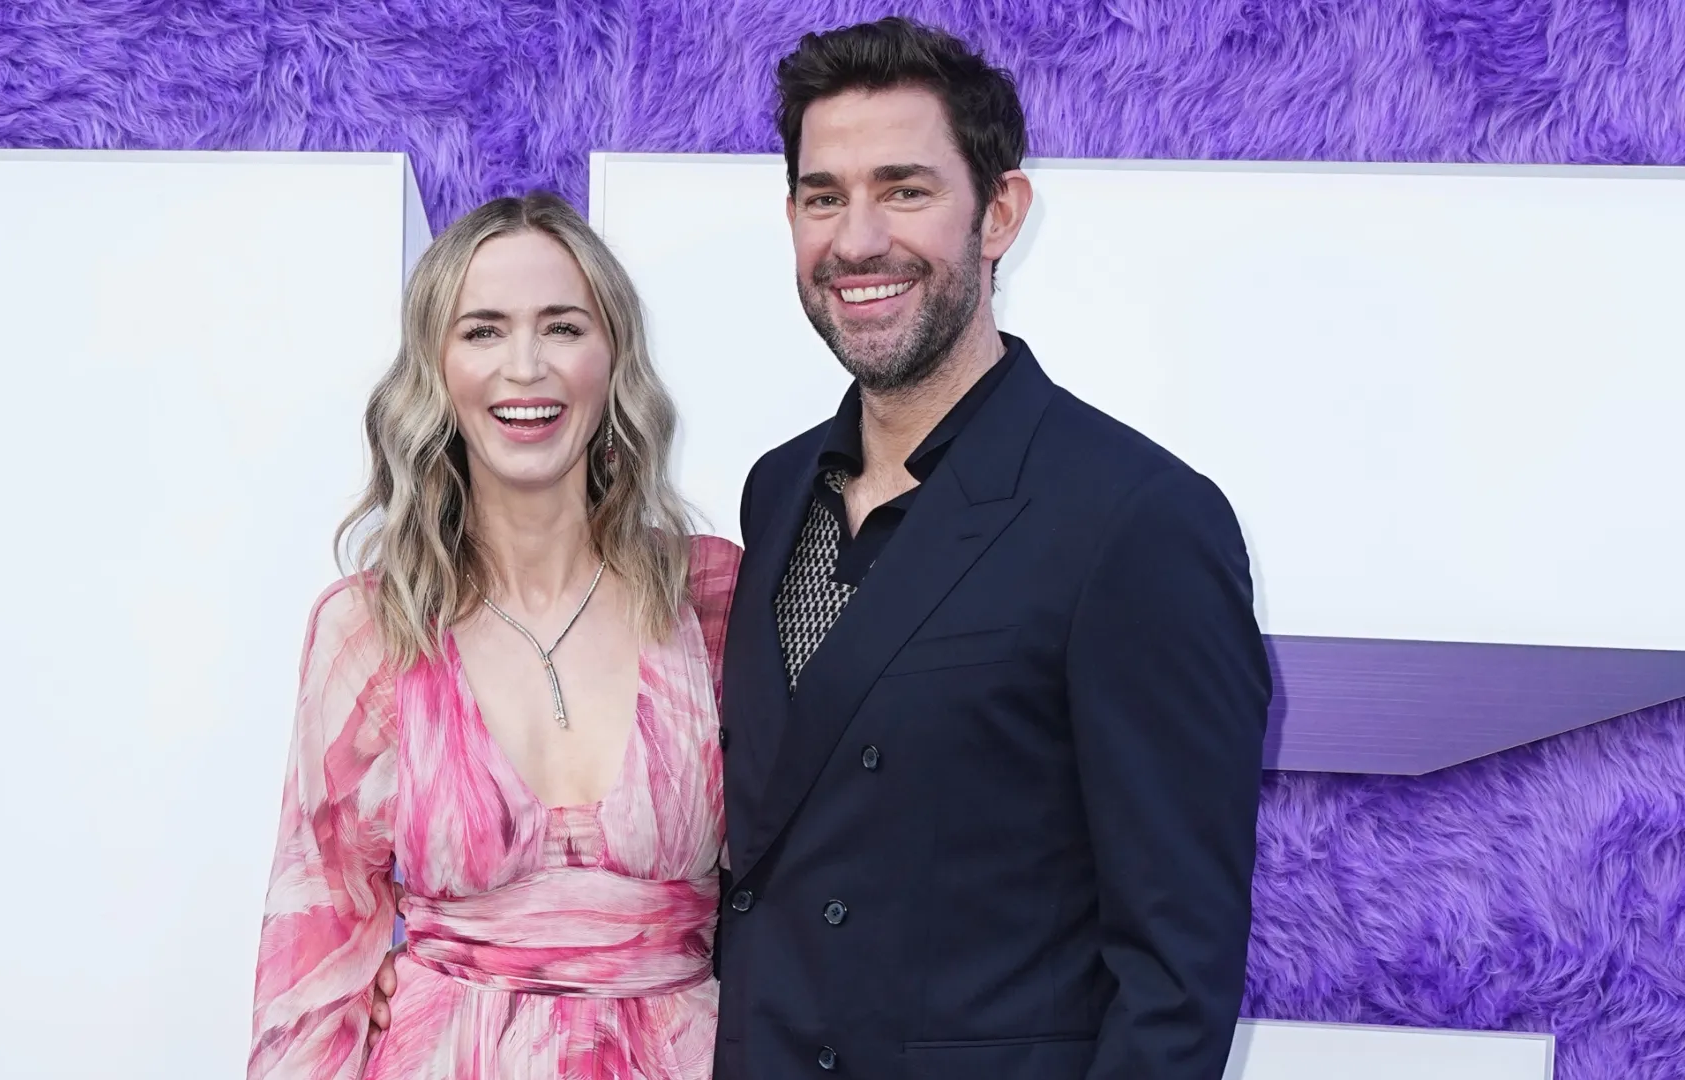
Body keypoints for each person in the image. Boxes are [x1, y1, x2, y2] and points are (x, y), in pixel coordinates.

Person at [371, 17, 1272, 1079]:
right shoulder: (779, 493)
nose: (857, 241)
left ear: (1001, 213)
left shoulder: (1135, 521)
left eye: (905, 189)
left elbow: (1177, 975)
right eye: (822, 196)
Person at [248, 192, 740, 1080]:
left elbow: (811, 888)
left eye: (561, 327)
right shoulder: (369, 627)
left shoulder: (710, 595)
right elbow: (314, 956)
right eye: (482, 331)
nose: (525, 366)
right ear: (435, 370)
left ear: (614, 355)